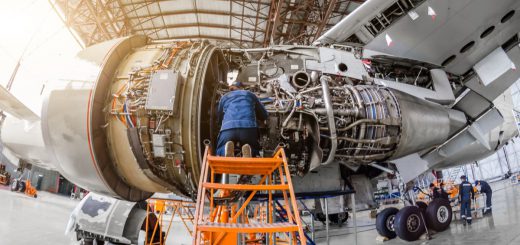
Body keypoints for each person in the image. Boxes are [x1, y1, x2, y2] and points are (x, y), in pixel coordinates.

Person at [216, 81, 268, 158]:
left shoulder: (224, 97)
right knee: (254, 148)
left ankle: (225, 150)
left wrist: (221, 125)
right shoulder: (250, 95)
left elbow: (219, 116)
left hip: (228, 128)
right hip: (248, 128)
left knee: (221, 147)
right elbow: (264, 114)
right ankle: (249, 150)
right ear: (241, 88)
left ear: (231, 88)